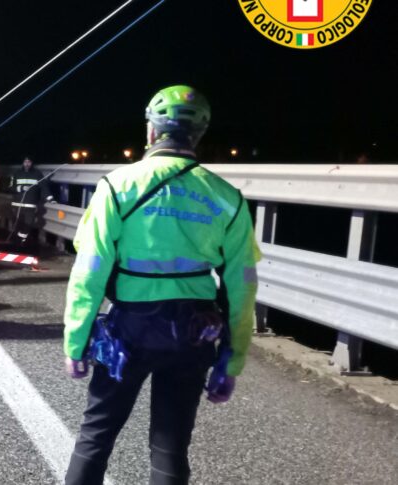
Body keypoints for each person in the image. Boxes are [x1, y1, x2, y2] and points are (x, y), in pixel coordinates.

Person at [62, 85, 259, 485]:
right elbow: (242, 288)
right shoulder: (227, 198)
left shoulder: (118, 186)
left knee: (96, 437)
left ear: (151, 132)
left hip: (129, 331)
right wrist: (231, 361)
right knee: (170, 447)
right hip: (194, 332)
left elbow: (90, 271)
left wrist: (76, 341)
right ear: (199, 135)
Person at [9, 156, 53, 259]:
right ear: (22, 163)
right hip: (17, 204)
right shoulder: (16, 173)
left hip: (30, 204)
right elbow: (11, 187)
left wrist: (50, 198)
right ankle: (18, 244)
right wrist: (21, 188)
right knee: (18, 225)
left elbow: (43, 187)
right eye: (25, 161)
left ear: (32, 163)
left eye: (29, 161)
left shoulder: (37, 174)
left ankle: (21, 241)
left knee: (28, 224)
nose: (27, 163)